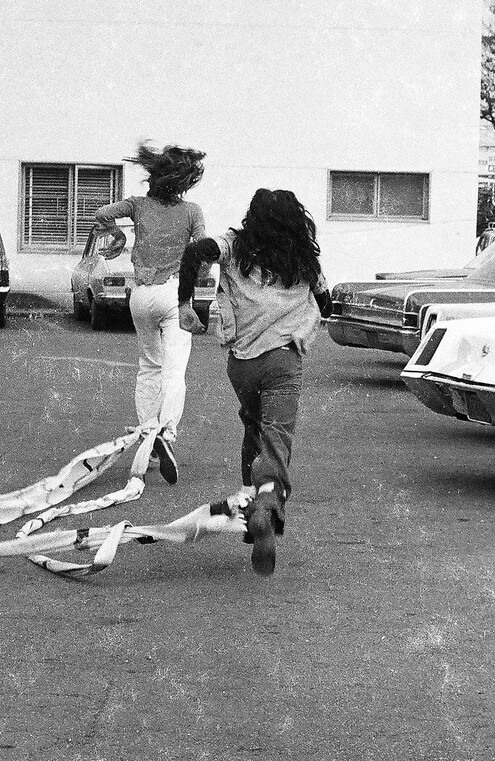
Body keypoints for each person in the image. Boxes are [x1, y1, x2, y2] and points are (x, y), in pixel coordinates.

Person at [177, 188, 331, 576]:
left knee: (254, 427)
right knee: (276, 438)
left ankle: (249, 504)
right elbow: (325, 300)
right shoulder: (302, 257)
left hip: (242, 362)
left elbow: (195, 253)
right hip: (284, 359)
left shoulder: (232, 245)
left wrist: (185, 304)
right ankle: (266, 507)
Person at [93, 142, 206, 484]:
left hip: (140, 295)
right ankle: (166, 435)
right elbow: (202, 249)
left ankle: (146, 431)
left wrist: (116, 237)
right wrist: (199, 271)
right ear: (184, 182)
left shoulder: (137, 206)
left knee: (148, 367)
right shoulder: (192, 212)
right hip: (174, 293)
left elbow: (102, 213)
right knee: (175, 370)